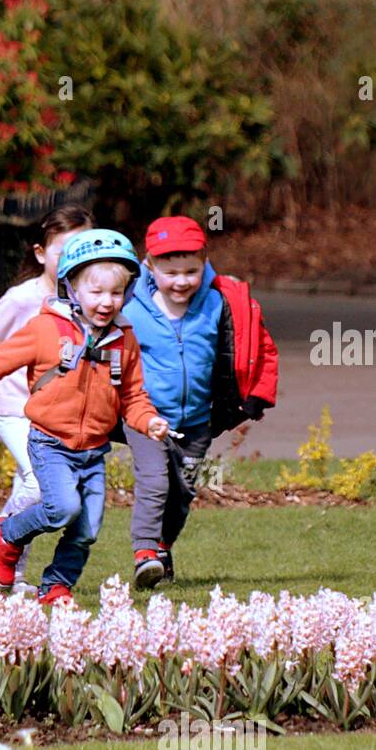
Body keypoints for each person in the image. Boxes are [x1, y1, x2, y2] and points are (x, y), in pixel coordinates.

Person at [0, 230, 169, 606]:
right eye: (96, 292)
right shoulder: (45, 328)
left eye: (116, 293)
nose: (107, 302)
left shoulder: (123, 339)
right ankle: (8, 534)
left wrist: (148, 421)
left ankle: (56, 586)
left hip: (94, 451)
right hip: (50, 442)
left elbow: (133, 396)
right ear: (72, 288)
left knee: (87, 529)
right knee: (63, 507)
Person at [0, 204, 96, 594]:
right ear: (41, 253)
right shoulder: (21, 299)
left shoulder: (92, 300)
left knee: (37, 486)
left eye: (83, 249)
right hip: (14, 408)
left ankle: (9, 565)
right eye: (64, 250)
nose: (73, 259)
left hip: (58, 416)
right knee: (38, 483)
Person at [120, 215, 279, 588]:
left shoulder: (221, 303)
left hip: (196, 421)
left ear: (205, 261)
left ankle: (162, 546)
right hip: (144, 415)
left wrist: (258, 394)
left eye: (190, 271)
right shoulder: (129, 304)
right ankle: (144, 553)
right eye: (170, 272)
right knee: (155, 481)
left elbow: (262, 348)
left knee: (182, 492)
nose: (181, 282)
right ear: (150, 265)